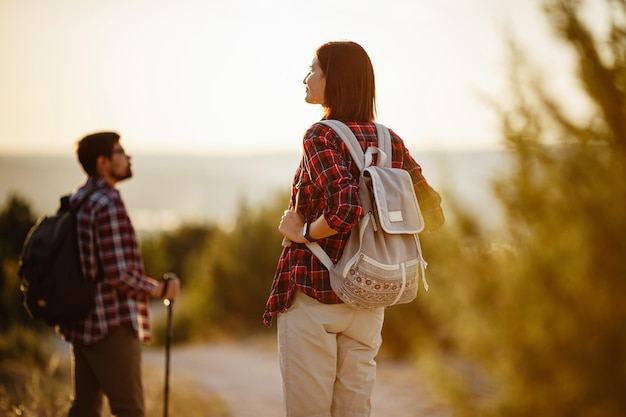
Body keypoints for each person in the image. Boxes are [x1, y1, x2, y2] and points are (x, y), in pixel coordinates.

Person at [263, 41, 444, 417]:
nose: (306, 78)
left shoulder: (321, 135)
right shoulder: (388, 139)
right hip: (369, 295)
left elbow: (345, 209)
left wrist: (303, 232)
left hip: (315, 295)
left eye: (314, 69)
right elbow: (433, 211)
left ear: (336, 79)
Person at [58, 131, 181, 417]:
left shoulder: (79, 197)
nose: (127, 158)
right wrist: (160, 290)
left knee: (84, 407)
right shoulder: (107, 201)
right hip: (110, 324)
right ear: (103, 162)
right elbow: (119, 275)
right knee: (130, 409)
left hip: (82, 321)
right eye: (119, 152)